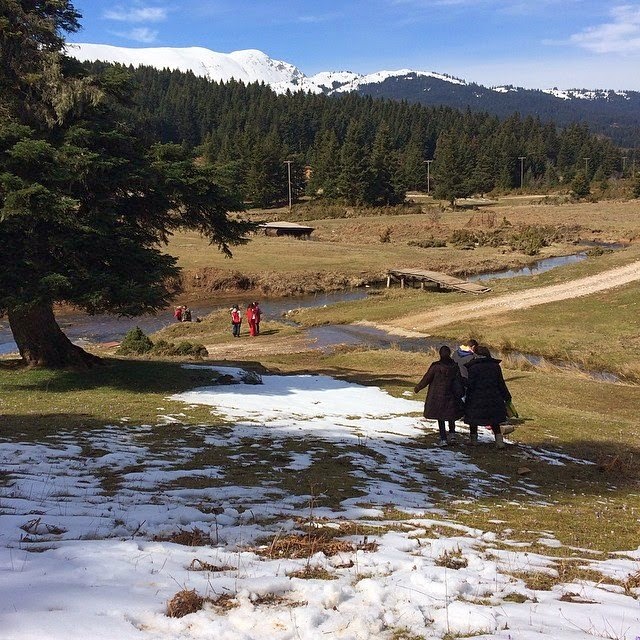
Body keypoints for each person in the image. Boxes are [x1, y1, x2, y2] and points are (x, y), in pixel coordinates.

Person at [414, 345, 465, 446]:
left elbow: (427, 378)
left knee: (440, 416)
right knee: (451, 415)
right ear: (450, 353)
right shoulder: (454, 366)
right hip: (451, 394)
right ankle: (452, 434)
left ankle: (443, 439)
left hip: (438, 395)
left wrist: (418, 387)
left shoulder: (436, 366)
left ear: (440, 354)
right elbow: (459, 380)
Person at [464, 345, 512, 449]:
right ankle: (499, 441)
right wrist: (507, 396)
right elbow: (501, 383)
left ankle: (473, 440)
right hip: (494, 395)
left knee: (473, 418)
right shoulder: (495, 366)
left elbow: (471, 384)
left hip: (476, 396)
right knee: (494, 419)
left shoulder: (473, 367)